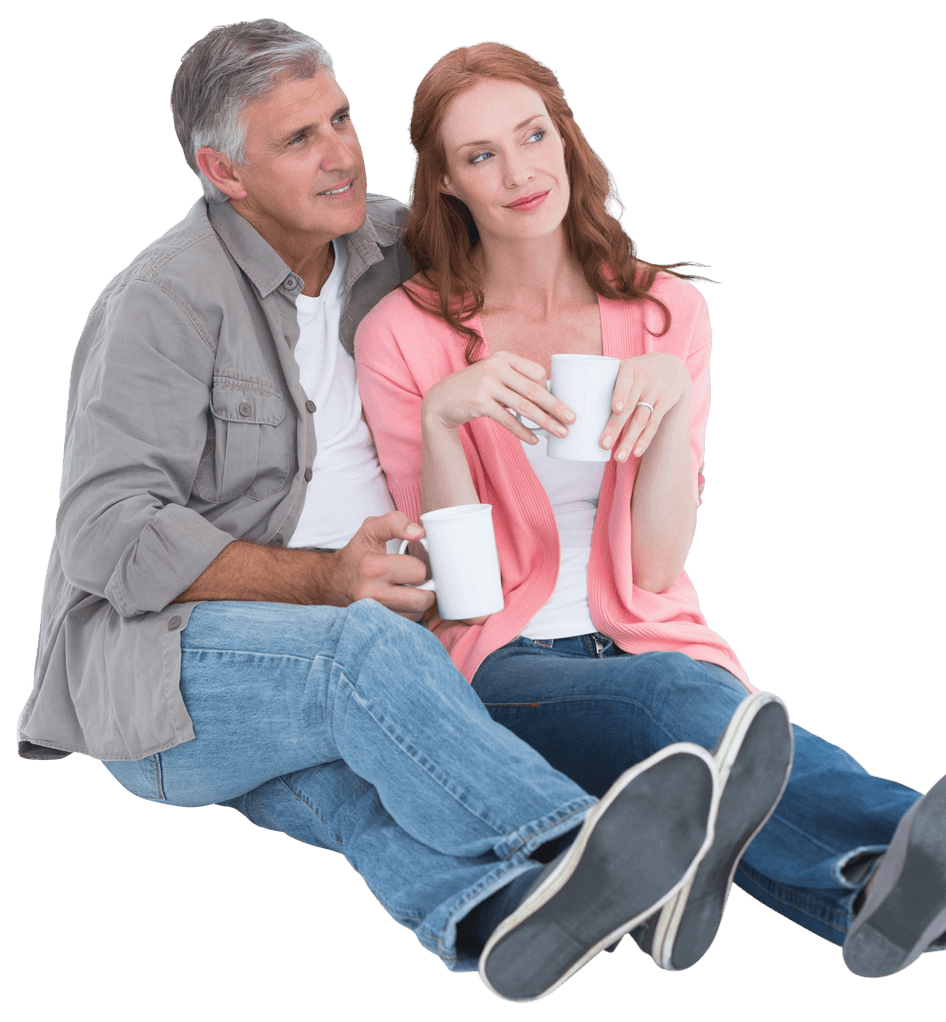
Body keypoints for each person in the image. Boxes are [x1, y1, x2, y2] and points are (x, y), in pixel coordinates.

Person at [16, 19, 740, 1004]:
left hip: (345, 675)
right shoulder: (162, 303)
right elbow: (103, 533)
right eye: (299, 139)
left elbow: (543, 253)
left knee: (369, 788)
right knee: (367, 651)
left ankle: (497, 912)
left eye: (343, 118)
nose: (341, 154)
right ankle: (579, 842)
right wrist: (325, 580)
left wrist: (655, 346)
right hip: (167, 677)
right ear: (223, 172)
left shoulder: (394, 243)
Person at [354, 41, 946, 979]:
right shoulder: (405, 332)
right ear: (444, 181)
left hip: (652, 632)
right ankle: (922, 840)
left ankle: (870, 899)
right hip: (501, 663)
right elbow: (463, 597)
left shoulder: (664, 314)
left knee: (698, 736)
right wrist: (447, 417)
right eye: (481, 155)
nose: (520, 171)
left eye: (533, 137)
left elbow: (652, 570)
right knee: (691, 708)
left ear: (565, 139)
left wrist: (671, 406)